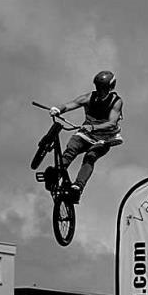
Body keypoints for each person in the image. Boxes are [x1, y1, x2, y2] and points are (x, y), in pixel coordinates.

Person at [48, 70, 123, 202]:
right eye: (98, 88)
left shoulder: (116, 102)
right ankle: (58, 172)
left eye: (103, 88)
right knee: (72, 148)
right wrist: (58, 109)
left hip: (105, 137)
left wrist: (93, 127)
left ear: (110, 88)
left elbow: (111, 123)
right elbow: (71, 104)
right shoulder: (89, 97)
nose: (100, 91)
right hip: (86, 133)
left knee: (90, 157)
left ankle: (77, 187)